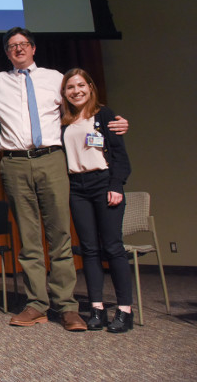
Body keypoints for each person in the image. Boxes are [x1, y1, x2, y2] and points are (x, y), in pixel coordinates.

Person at [0, 27, 127, 331]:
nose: (18, 49)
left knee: (59, 235)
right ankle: (36, 304)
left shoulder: (56, 79)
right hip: (14, 163)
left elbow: (84, 106)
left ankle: (66, 306)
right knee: (29, 238)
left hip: (52, 159)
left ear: (33, 48)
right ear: (6, 52)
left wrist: (112, 120)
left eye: (23, 44)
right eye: (12, 46)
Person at [61, 68, 133, 333]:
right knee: (89, 250)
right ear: (64, 93)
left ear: (90, 87)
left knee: (113, 247)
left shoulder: (104, 115)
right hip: (77, 187)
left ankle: (125, 310)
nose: (76, 91)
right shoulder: (64, 121)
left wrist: (116, 185)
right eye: (70, 87)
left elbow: (120, 156)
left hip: (104, 183)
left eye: (81, 85)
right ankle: (97, 308)